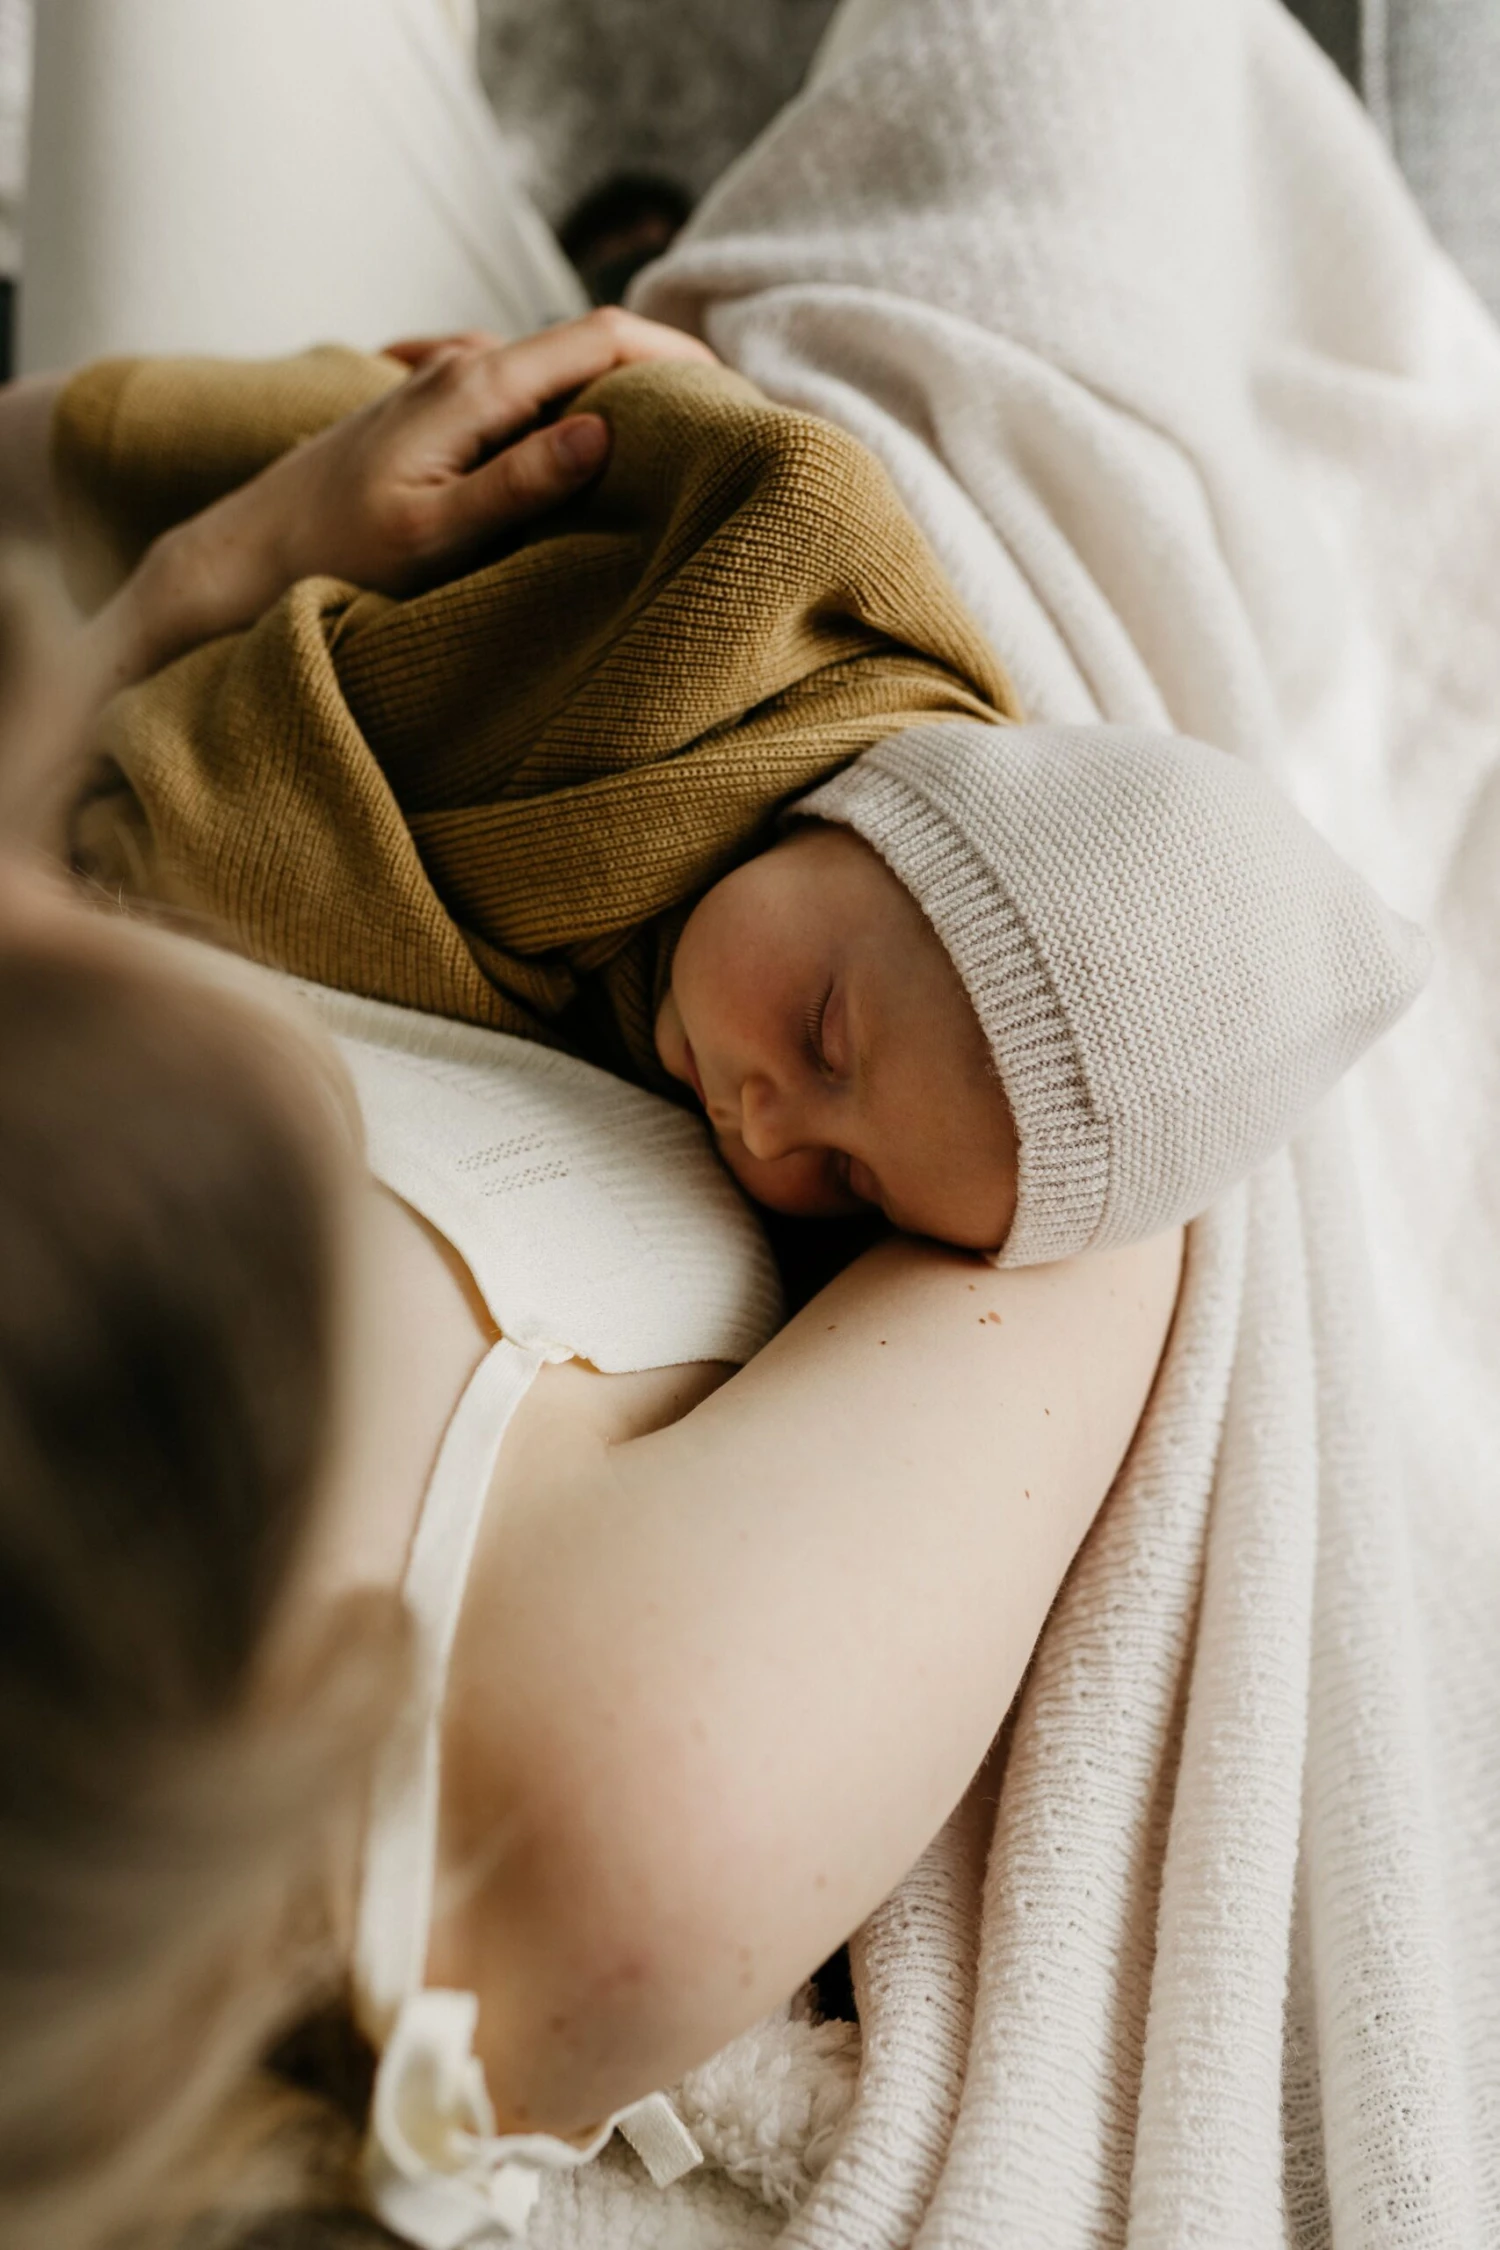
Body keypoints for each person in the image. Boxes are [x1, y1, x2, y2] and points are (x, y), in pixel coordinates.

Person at [29, 324, 1426, 1265]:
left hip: (111, 681)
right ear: (876, 819)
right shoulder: (761, 575)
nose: (768, 1127)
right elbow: (714, 445)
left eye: (855, 1182)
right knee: (124, 443)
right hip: (369, 507)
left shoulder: (724, 1068)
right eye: (826, 1035)